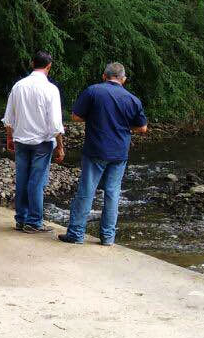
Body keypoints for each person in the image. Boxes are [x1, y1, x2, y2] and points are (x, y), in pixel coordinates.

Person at [61, 62, 148, 245]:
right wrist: (125, 126)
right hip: (119, 153)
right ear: (123, 79)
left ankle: (76, 234)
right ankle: (108, 237)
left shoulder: (93, 91)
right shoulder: (132, 99)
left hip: (95, 149)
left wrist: (94, 119)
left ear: (104, 76)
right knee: (112, 194)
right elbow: (143, 128)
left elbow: (76, 116)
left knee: (86, 191)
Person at [2, 51, 65, 233]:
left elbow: (9, 117)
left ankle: (21, 218)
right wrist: (60, 146)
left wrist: (9, 137)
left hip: (21, 139)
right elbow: (55, 124)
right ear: (49, 66)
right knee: (36, 181)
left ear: (32, 64)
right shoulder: (51, 89)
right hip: (42, 142)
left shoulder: (18, 86)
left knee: (22, 178)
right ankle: (34, 221)